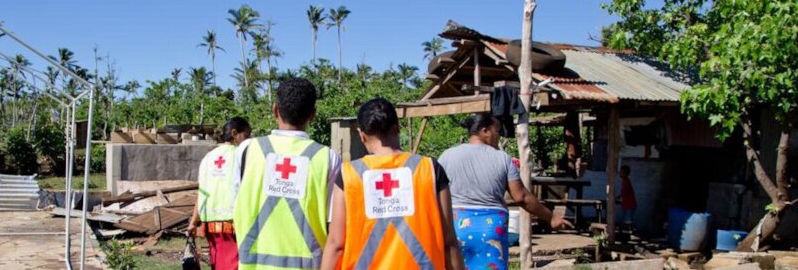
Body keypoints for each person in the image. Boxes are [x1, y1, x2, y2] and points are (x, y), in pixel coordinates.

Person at [320, 98, 464, 270]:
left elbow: (336, 245)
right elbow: (449, 242)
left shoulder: (348, 175)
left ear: (361, 135)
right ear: (397, 128)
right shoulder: (430, 169)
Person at [438, 113, 573, 270]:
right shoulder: (502, 158)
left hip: (456, 227)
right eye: (497, 131)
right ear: (485, 131)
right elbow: (521, 196)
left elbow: (435, 194)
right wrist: (550, 217)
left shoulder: (446, 156)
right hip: (491, 228)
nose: (499, 136)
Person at [233, 78, 342, 270]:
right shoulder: (328, 158)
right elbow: (334, 227)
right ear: (313, 115)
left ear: (275, 109)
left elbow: (236, 204)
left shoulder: (247, 150)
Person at [188, 117, 252, 270]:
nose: (248, 139)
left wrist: (193, 222)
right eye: (247, 135)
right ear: (235, 133)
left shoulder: (208, 158)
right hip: (234, 222)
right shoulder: (241, 155)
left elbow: (202, 192)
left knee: (219, 264)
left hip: (211, 224)